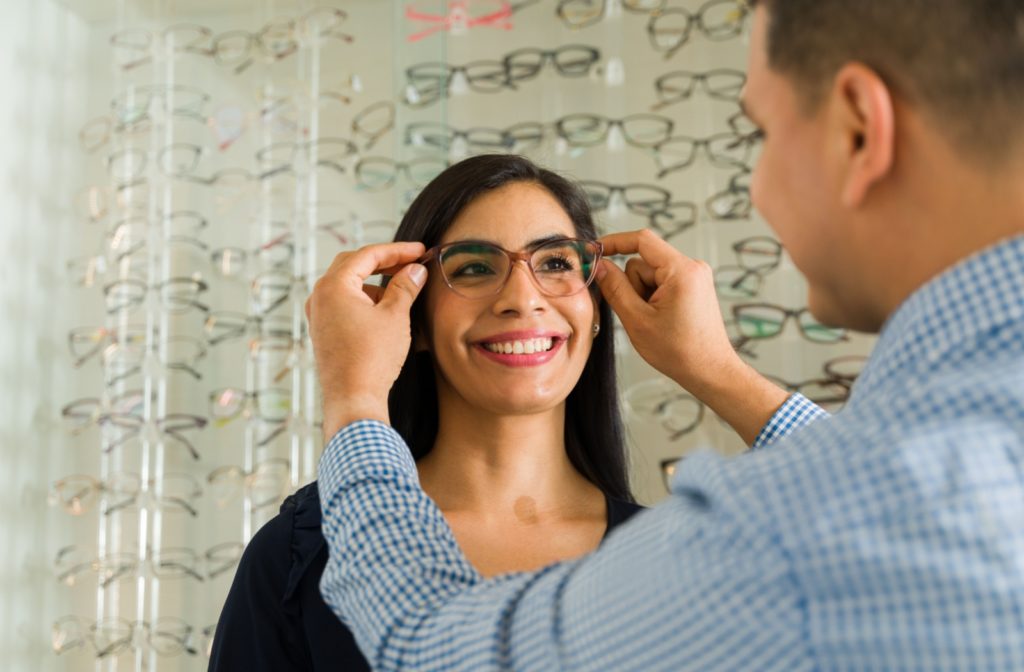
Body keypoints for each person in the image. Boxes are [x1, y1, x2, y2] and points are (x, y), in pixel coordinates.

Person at [308, 0, 1024, 669]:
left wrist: (352, 397)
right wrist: (718, 372)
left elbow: (428, 647)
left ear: (858, 128)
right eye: (474, 267)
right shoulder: (964, 458)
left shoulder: (794, 535)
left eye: (763, 134)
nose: (522, 297)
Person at [207, 155, 643, 671]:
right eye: (475, 267)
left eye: (554, 263)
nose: (523, 300)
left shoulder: (682, 556)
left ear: (596, 310)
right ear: (410, 321)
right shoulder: (301, 554)